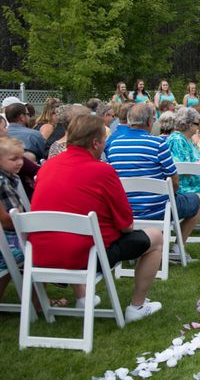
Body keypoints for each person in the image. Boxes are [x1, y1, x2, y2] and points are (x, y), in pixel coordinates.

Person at [29, 114, 164, 322]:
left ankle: (83, 297)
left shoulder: (47, 166)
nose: (105, 144)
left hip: (40, 256)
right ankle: (137, 306)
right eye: (104, 139)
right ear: (95, 143)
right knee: (155, 237)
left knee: (76, 234)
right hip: (84, 258)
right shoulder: (103, 171)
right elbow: (127, 225)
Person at [106, 104, 200, 259]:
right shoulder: (158, 144)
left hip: (126, 211)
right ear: (149, 122)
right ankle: (178, 249)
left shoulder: (114, 145)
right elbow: (174, 180)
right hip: (158, 211)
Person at [0, 138, 27, 301]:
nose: (19, 163)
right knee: (33, 252)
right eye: (14, 159)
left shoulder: (11, 177)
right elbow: (11, 218)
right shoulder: (3, 182)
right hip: (8, 236)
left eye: (21, 158)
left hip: (7, 234)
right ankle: (37, 301)